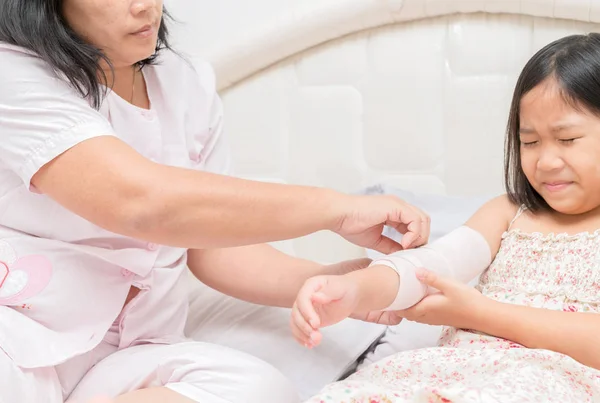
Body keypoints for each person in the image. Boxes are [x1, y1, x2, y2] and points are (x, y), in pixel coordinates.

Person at [0, 1, 432, 403]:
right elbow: (142, 203)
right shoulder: (13, 74)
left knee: (261, 389)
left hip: (129, 353)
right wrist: (335, 209)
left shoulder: (184, 82)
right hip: (19, 336)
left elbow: (214, 248)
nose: (143, 6)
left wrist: (329, 282)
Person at [293, 33, 600, 402]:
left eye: (567, 139)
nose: (546, 161)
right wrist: (354, 291)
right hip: (458, 373)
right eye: (530, 142)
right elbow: (429, 267)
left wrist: (483, 313)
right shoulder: (509, 213)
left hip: (550, 385)